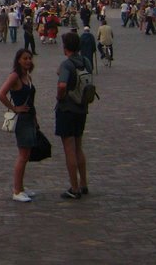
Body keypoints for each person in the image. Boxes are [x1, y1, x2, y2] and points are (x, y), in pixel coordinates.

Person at [0, 49, 38, 202]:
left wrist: (35, 118)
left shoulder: (27, 76)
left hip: (29, 117)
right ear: (18, 60)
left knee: (26, 155)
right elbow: (1, 94)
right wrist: (14, 107)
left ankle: (21, 187)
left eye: (29, 58)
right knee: (22, 156)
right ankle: (16, 190)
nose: (28, 61)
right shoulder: (15, 76)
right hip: (21, 119)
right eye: (25, 58)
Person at [55, 31, 90, 200]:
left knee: (69, 149)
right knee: (79, 147)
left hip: (67, 109)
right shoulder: (85, 61)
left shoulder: (67, 64)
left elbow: (62, 85)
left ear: (65, 47)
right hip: (82, 108)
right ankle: (83, 183)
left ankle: (74, 187)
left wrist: (59, 97)